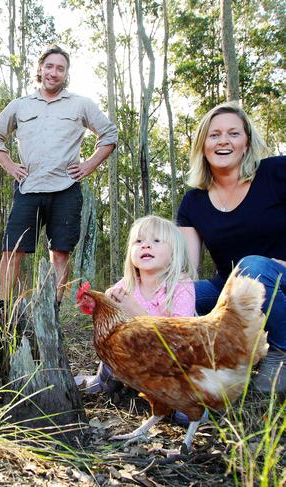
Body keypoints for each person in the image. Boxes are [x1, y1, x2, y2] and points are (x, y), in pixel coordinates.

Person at [0, 44, 117, 320]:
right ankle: (2, 308)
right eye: (49, 66)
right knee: (12, 250)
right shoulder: (20, 105)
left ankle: (53, 309)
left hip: (65, 190)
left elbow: (109, 135)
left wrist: (88, 165)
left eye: (60, 68)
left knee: (60, 251)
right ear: (40, 69)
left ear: (66, 73)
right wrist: (10, 166)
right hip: (29, 188)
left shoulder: (80, 104)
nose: (54, 72)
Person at [177, 101, 286, 394]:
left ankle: (282, 353)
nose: (223, 140)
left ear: (246, 141)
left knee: (251, 267)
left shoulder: (277, 172)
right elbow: (185, 266)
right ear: (203, 144)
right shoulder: (193, 202)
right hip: (228, 288)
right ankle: (186, 366)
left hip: (279, 280)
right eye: (215, 135)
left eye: (233, 133)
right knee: (177, 293)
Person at [75, 215, 196, 396]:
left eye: (156, 240)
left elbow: (180, 339)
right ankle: (104, 382)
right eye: (138, 241)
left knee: (183, 416)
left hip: (172, 365)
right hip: (135, 360)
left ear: (174, 253)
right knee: (113, 346)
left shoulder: (181, 286)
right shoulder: (126, 285)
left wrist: (136, 312)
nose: (145, 245)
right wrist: (103, 304)